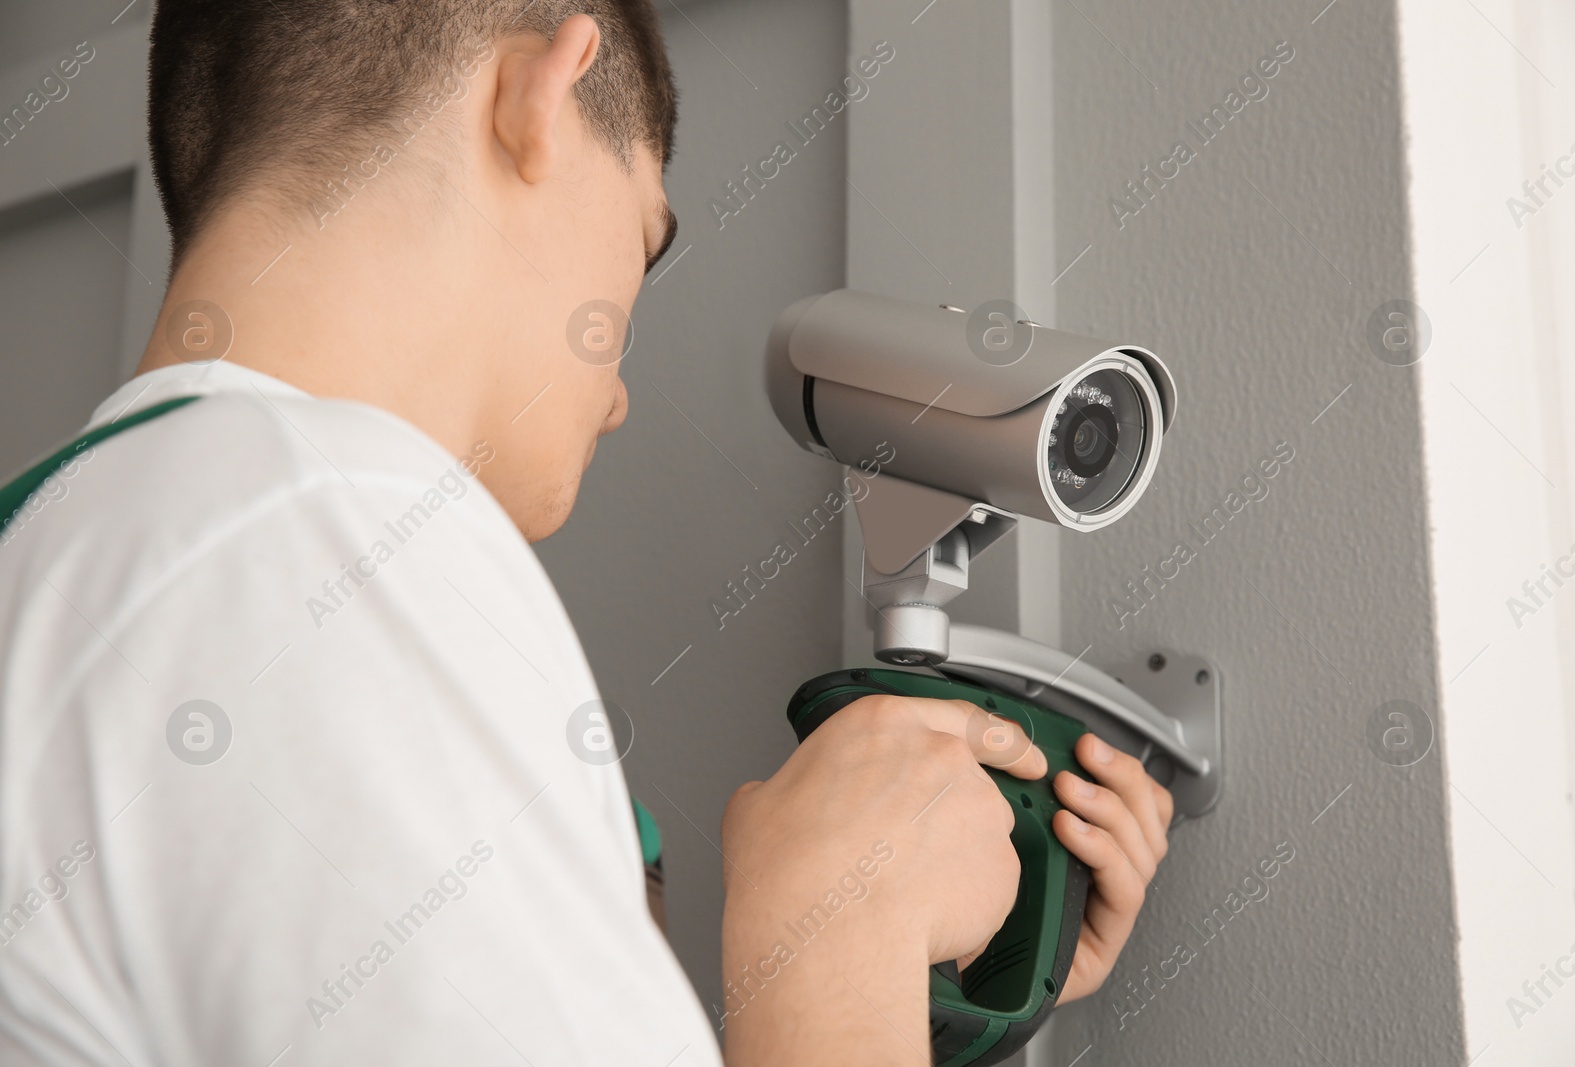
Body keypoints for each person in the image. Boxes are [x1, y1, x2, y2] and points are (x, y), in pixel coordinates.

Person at [0, 2, 1172, 1064]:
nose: (617, 394)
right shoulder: (327, 533)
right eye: (644, 246)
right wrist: (836, 942)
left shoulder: (65, 548)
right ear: (544, 94)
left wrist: (917, 994)